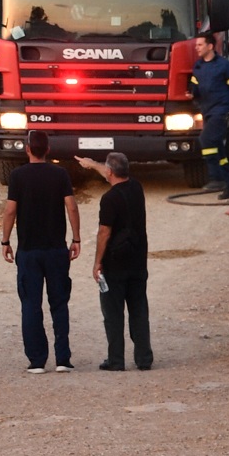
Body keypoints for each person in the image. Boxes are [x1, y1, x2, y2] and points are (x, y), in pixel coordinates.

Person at [0, 129, 79, 373]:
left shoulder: (18, 176)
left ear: (27, 149)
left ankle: (37, 360)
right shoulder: (60, 174)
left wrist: (5, 241)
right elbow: (72, 207)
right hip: (56, 249)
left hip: (29, 251)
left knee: (31, 304)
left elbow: (10, 211)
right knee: (59, 303)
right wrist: (75, 238)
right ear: (48, 150)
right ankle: (63, 358)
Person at [78, 152, 152, 371]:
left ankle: (116, 359)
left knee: (113, 313)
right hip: (138, 260)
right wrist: (92, 165)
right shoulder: (137, 188)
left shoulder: (109, 199)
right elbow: (110, 172)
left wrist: (97, 262)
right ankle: (144, 358)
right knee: (139, 309)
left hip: (115, 263)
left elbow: (104, 232)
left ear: (110, 172)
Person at [190, 33, 229, 200]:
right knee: (219, 149)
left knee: (206, 140)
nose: (196, 47)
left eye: (200, 45)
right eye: (196, 45)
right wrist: (192, 96)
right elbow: (195, 90)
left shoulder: (224, 66)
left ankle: (216, 178)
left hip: (222, 110)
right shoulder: (198, 67)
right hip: (207, 111)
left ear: (210, 46)